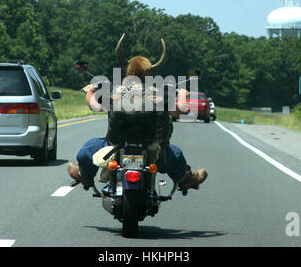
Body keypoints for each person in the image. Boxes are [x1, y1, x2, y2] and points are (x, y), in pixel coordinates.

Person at [67, 34, 208, 192]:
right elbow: (179, 111)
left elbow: (94, 105)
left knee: (87, 149)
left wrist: (90, 90)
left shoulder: (117, 94)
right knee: (175, 153)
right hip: (154, 150)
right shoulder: (158, 96)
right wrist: (182, 93)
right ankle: (186, 179)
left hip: (115, 148)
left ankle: (84, 176)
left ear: (128, 73)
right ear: (149, 75)